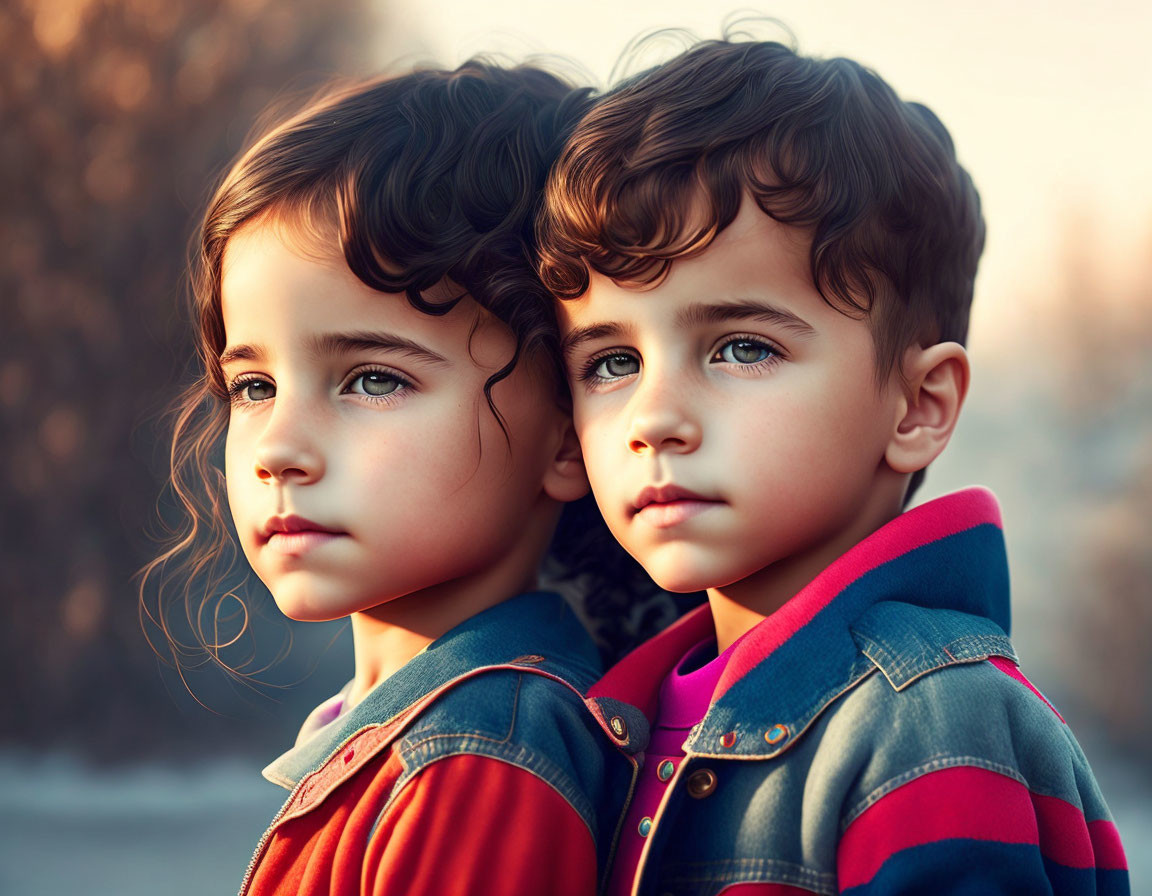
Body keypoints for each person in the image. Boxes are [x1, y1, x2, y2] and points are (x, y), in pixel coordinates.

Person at [536, 37, 1130, 895]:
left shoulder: (930, 723)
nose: (653, 418)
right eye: (610, 363)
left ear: (918, 405)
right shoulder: (619, 711)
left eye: (741, 347)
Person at [140, 61, 646, 896]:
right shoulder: (408, 731)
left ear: (566, 433)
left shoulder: (480, 761)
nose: (280, 448)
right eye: (254, 387)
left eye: (373, 378)